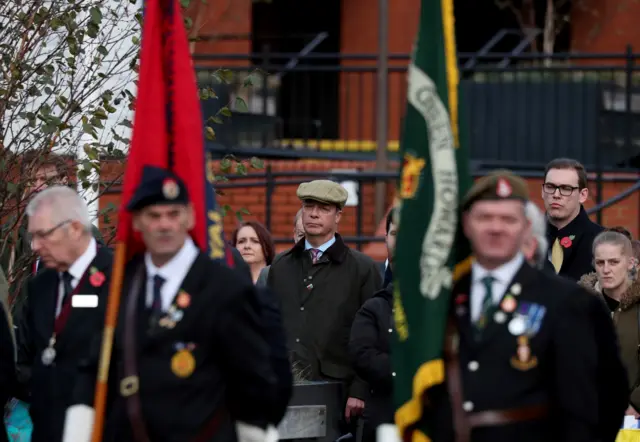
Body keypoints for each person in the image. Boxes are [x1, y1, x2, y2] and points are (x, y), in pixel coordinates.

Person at [62, 166, 281, 442]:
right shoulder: (120, 283)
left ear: (190, 217)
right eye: (154, 216)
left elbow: (253, 379)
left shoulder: (226, 286)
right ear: (138, 222)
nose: (164, 225)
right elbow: (95, 366)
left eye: (173, 214)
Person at [428, 170, 605, 442]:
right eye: (485, 217)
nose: (496, 227)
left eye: (508, 219)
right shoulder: (439, 296)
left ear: (526, 228)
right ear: (466, 224)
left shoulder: (566, 301)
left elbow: (584, 407)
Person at [267, 180, 382, 428]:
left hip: (336, 390)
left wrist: (360, 389)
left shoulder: (362, 269)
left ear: (338, 215)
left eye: (324, 208)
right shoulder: (281, 265)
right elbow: (268, 326)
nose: (314, 214)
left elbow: (373, 336)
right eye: (309, 206)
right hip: (283, 386)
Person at [12, 186, 113, 442]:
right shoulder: (39, 286)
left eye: (43, 235)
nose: (35, 246)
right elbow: (24, 359)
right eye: (32, 236)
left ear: (76, 228)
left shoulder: (120, 278)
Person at [348, 208, 397, 442]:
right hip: (383, 413)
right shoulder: (375, 306)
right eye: (396, 233)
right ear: (386, 236)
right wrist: (405, 368)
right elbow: (361, 353)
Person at [579, 232, 640, 417]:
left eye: (613, 262)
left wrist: (635, 404)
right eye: (600, 262)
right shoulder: (578, 306)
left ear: (630, 263)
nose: (606, 269)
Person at [542, 158, 603, 281]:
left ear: (583, 195)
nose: (556, 195)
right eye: (550, 186)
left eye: (566, 188)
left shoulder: (604, 241)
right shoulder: (524, 239)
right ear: (542, 191)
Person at [256, 209, 303, 288]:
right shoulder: (270, 274)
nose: (305, 241)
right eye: (301, 235)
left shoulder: (330, 273)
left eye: (313, 236)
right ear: (295, 234)